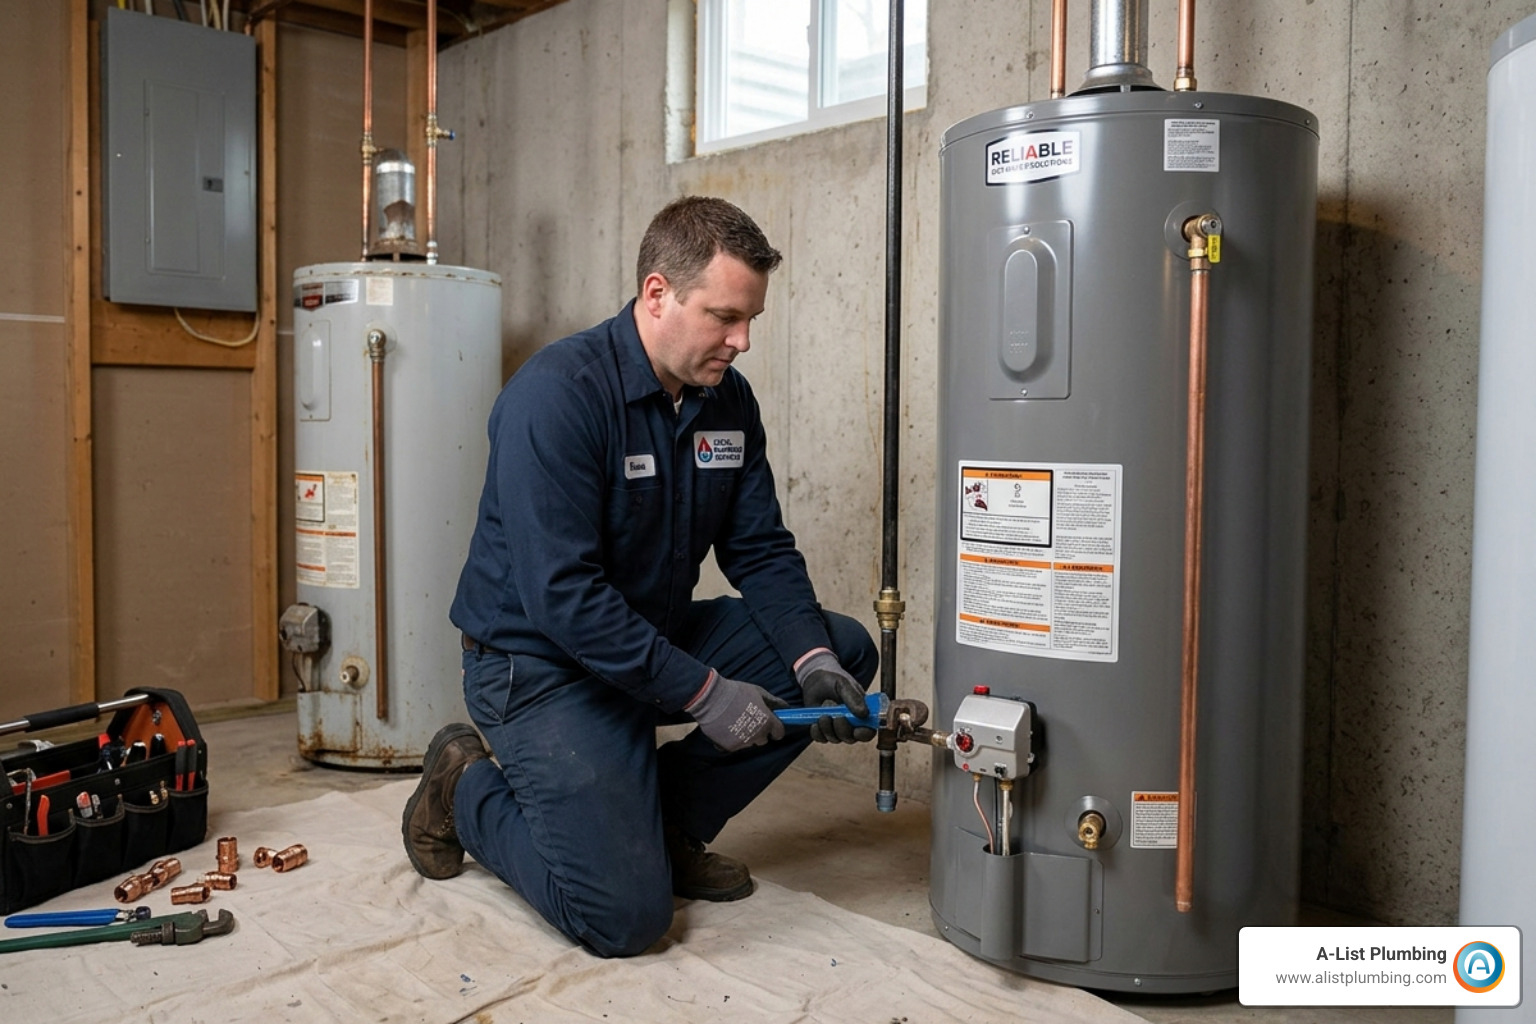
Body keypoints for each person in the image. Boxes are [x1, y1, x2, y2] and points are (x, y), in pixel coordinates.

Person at [402, 196, 879, 959]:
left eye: (751, 318)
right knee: (622, 919)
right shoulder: (557, 397)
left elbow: (758, 547)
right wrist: (705, 693)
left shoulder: (727, 401)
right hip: (538, 664)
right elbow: (564, 598)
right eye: (725, 316)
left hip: (645, 636)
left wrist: (811, 665)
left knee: (844, 648)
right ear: (656, 294)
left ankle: (663, 828)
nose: (743, 340)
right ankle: (466, 790)